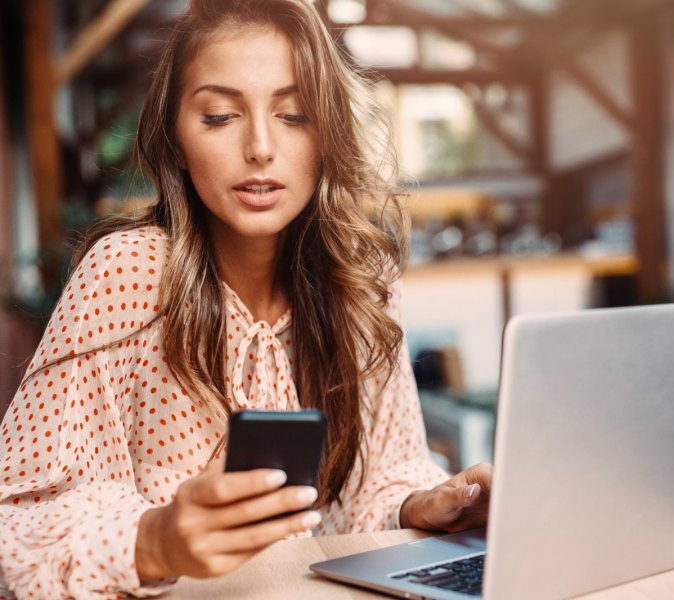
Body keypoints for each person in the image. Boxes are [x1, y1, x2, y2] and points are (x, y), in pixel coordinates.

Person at [0, 0, 492, 597]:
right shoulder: (127, 271)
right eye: (219, 116)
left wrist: (423, 505)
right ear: (176, 140)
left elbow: (376, 489)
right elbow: (18, 521)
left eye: (294, 115)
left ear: (327, 135)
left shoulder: (360, 282)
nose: (260, 147)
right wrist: (156, 540)